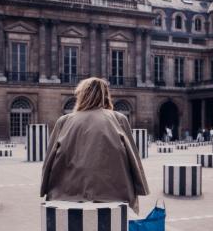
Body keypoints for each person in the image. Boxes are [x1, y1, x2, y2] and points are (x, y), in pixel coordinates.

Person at [40, 77, 149, 214]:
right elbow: (133, 159)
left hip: (66, 196)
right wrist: (139, 189)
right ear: (106, 96)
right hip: (115, 197)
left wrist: (44, 189)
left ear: (81, 95)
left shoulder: (64, 121)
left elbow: (48, 161)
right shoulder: (119, 119)